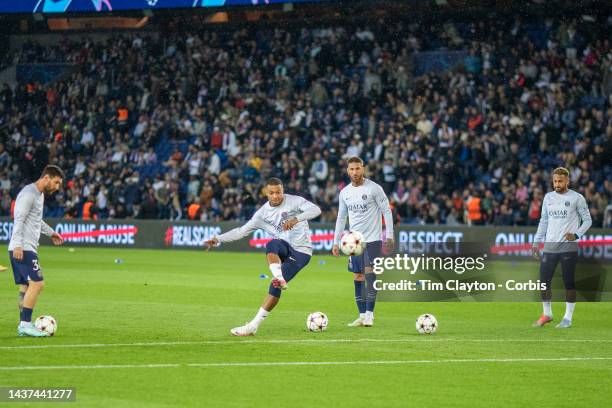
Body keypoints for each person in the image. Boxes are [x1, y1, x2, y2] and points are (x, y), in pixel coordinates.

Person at [205, 178, 321, 336]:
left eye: (278, 192)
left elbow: (316, 210)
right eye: (272, 193)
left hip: (302, 251)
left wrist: (296, 219)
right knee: (272, 244)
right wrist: (218, 239)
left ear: (282, 190)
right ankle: (279, 278)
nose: (275, 196)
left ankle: (253, 324)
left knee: (274, 288)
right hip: (284, 246)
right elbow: (240, 231)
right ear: (266, 193)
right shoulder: (262, 214)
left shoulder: (295, 201)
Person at [332, 157, 394, 327]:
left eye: (358, 168)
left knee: (370, 275)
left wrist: (390, 235)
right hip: (353, 242)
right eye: (351, 169)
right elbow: (341, 217)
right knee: (358, 276)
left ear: (363, 169)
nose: (355, 172)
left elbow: (386, 211)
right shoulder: (345, 193)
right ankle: (361, 315)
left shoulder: (374, 188)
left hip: (373, 240)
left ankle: (370, 315)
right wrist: (336, 241)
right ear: (347, 170)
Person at [532, 167, 592, 328]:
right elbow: (543, 221)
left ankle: (567, 318)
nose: (557, 184)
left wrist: (577, 235)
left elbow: (587, 220)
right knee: (544, 283)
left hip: (568, 247)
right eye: (555, 181)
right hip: (550, 246)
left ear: (567, 181)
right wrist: (536, 243)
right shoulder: (548, 197)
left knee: (569, 283)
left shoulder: (577, 198)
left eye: (560, 181)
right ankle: (547, 314)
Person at [8, 165, 65, 337]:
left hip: (28, 246)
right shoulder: (28, 194)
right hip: (23, 247)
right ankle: (25, 324)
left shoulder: (39, 196)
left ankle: (23, 324)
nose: (57, 187)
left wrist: (51, 233)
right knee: (38, 283)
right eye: (56, 183)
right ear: (46, 178)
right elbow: (19, 219)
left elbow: (36, 221)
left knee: (25, 287)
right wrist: (17, 244)